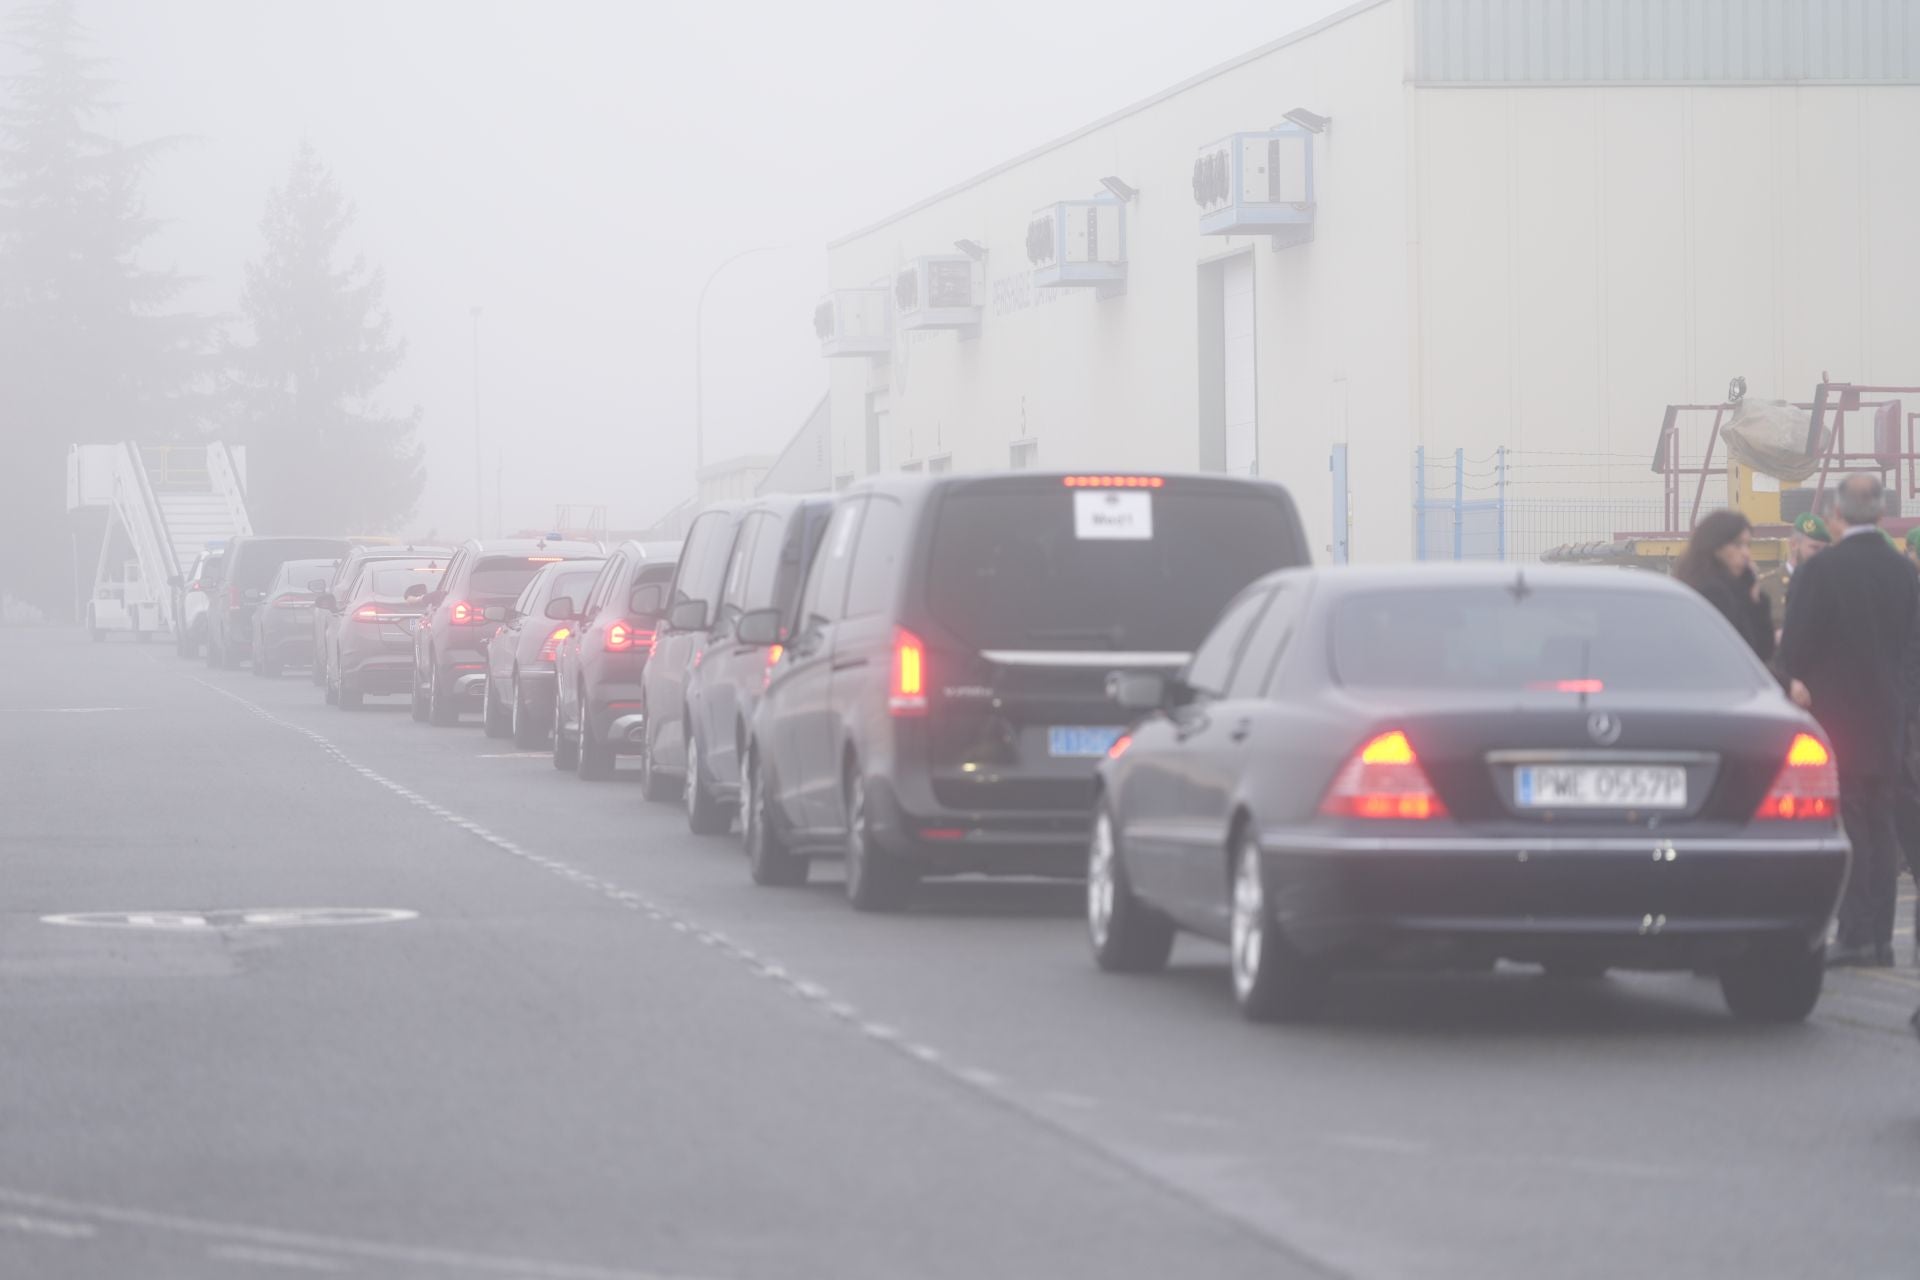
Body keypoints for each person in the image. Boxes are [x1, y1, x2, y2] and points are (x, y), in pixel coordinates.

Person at [1777, 473, 1920, 968]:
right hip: (1890, 721)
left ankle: (1856, 932)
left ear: (1837, 516)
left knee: (1852, 827)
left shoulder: (1820, 573)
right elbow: (1911, 649)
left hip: (1834, 723)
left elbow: (1792, 650)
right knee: (1882, 827)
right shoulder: (1906, 574)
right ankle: (1880, 937)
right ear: (1882, 517)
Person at [1673, 509, 1774, 662]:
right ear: (1716, 547)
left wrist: (1755, 600)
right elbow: (1742, 654)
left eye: (1748, 545)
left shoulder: (1738, 590)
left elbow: (1763, 651)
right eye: (1737, 545)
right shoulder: (1713, 593)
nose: (1746, 553)